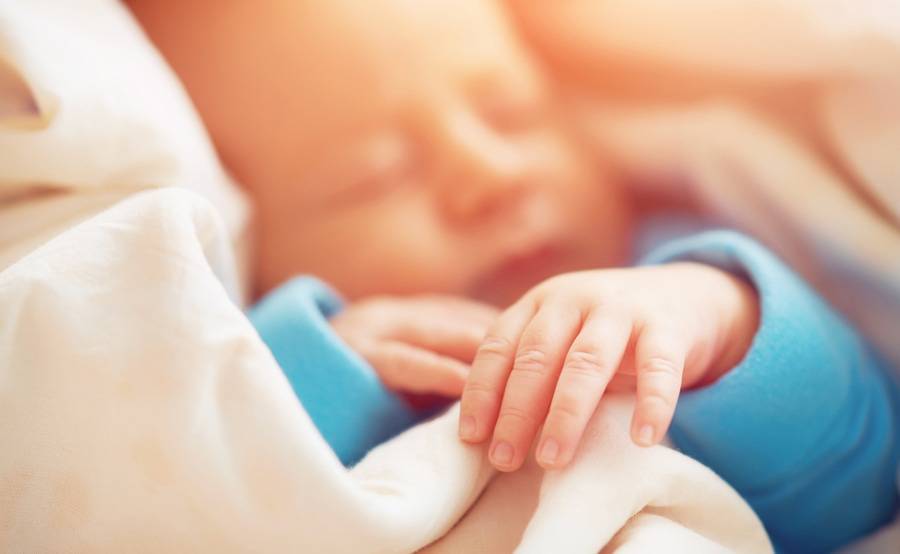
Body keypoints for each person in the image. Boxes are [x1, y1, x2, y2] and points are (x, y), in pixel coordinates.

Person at [126, 0, 899, 551]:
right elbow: (186, 489)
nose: (488, 173)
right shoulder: (301, 363)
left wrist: (721, 320)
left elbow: (862, 484)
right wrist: (312, 365)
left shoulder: (662, 278)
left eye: (511, 112)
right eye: (374, 176)